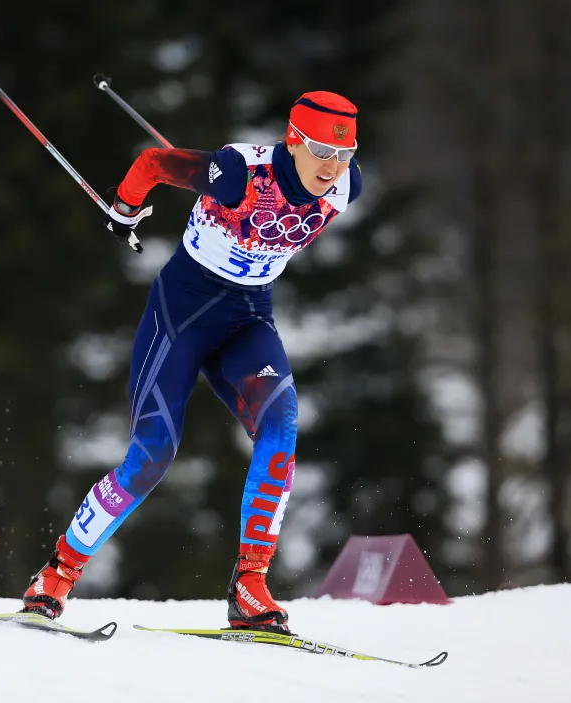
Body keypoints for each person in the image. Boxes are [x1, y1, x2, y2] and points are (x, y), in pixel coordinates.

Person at [22, 91, 363, 633]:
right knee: (153, 455)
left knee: (281, 429)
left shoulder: (347, 185)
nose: (332, 166)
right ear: (293, 141)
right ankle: (56, 576)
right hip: (181, 315)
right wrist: (125, 209)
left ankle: (249, 587)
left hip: (249, 319)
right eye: (321, 149)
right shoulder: (235, 173)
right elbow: (153, 163)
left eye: (343, 153)